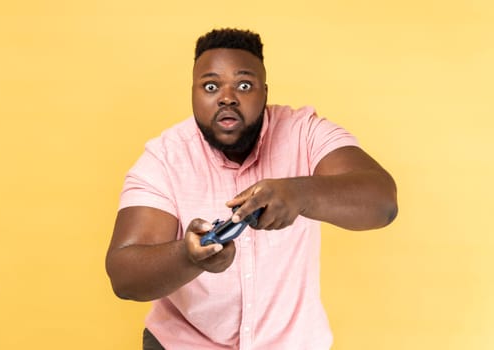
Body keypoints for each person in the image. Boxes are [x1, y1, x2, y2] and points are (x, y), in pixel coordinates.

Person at [105, 28, 398, 350]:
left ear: (265, 91)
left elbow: (382, 204)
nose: (227, 97)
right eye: (211, 86)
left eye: (244, 85)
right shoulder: (164, 158)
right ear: (193, 93)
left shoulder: (305, 132)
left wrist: (301, 194)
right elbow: (125, 277)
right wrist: (190, 257)